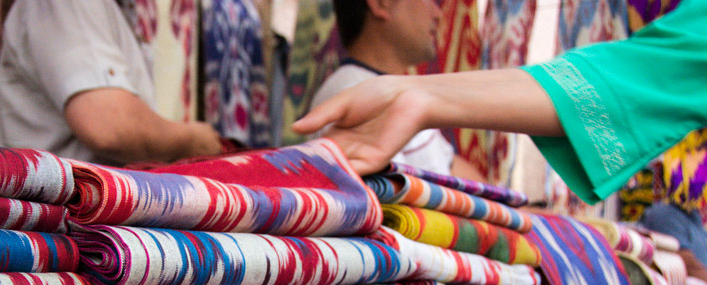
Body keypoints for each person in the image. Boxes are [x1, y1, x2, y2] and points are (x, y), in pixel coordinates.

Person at [293, 0, 707, 208]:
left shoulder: (374, 95)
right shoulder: (353, 94)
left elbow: (649, 71)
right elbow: (652, 70)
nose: (439, 10)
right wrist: (419, 97)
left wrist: (422, 96)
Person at [0, 0, 223, 165]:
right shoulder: (69, 5)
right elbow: (109, 125)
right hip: (61, 213)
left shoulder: (112, 11)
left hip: (74, 209)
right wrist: (193, 140)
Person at [308, 0, 484, 181]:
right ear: (381, 3)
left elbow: (450, 166)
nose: (437, 14)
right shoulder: (352, 96)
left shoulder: (386, 93)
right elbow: (396, 191)